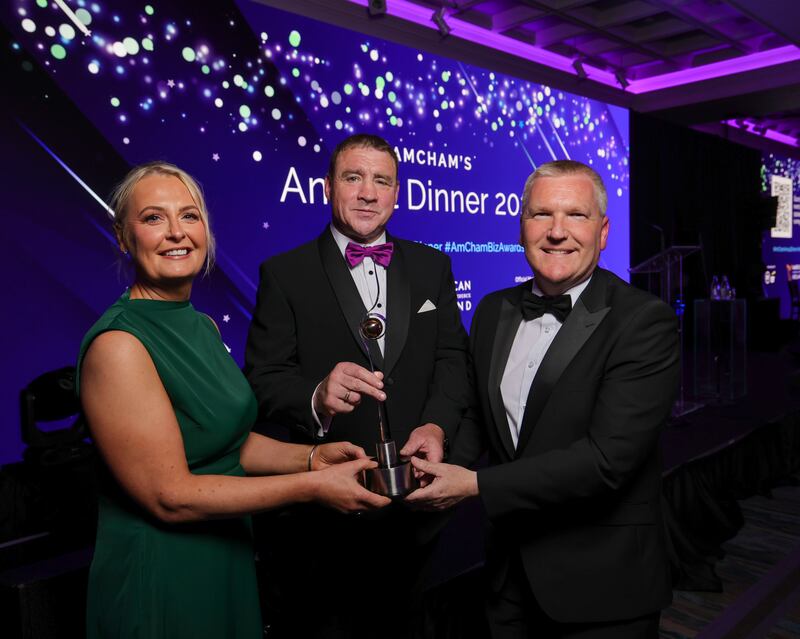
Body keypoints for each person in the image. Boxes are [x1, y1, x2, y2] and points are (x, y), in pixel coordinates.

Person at [77, 162, 389, 639]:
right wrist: (314, 487)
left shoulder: (200, 325)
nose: (176, 232)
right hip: (163, 573)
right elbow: (170, 497)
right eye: (154, 218)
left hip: (226, 556)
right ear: (123, 236)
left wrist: (312, 458)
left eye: (189, 216)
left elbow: (226, 442)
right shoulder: (119, 344)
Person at [406, 160, 679, 638]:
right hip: (507, 575)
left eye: (575, 215)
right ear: (521, 227)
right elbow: (478, 416)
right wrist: (438, 444)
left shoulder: (642, 321)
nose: (557, 232)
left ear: (603, 231)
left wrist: (473, 485)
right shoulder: (493, 309)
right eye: (541, 215)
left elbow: (607, 461)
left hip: (602, 586)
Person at [244, 134, 470, 638]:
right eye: (354, 178)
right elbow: (262, 381)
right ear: (327, 188)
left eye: (381, 180)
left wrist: (437, 424)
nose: (368, 192)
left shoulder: (434, 266)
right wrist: (316, 395)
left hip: (416, 511)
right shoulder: (284, 274)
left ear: (396, 194)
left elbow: (453, 360)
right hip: (328, 519)